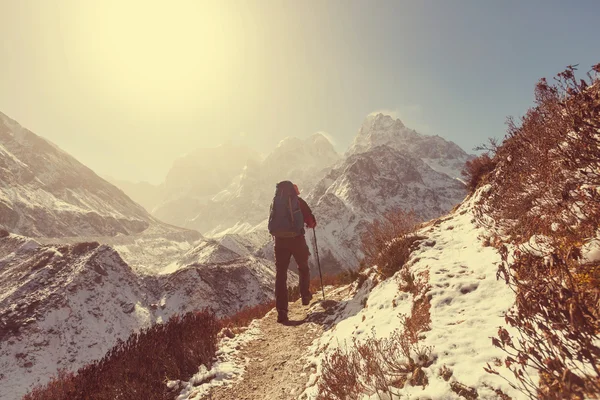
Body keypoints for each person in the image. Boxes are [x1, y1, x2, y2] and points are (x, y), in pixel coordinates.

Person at [267, 181, 317, 323]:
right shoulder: (299, 203)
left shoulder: (275, 203)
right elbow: (311, 222)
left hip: (280, 241)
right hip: (297, 240)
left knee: (281, 274)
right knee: (303, 266)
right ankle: (305, 295)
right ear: (294, 192)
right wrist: (308, 223)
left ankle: (282, 312)